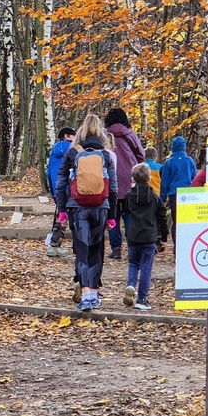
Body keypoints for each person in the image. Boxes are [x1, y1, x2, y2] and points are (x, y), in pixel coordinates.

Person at [55, 114, 118, 311]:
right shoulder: (106, 155)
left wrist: (62, 209)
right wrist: (112, 216)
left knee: (81, 250)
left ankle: (85, 295)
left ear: (81, 131)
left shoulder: (73, 153)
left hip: (78, 207)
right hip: (101, 207)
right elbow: (114, 188)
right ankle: (94, 294)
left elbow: (61, 182)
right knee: (96, 250)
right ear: (101, 132)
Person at [122, 163, 169, 311]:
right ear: (149, 178)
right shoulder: (155, 198)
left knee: (133, 263)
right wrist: (163, 238)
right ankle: (142, 298)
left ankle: (130, 284)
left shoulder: (129, 197)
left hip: (134, 235)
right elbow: (162, 218)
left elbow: (125, 214)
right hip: (149, 236)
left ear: (133, 178)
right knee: (146, 267)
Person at [103, 108, 145, 259]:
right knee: (129, 215)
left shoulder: (105, 136)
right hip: (129, 181)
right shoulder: (130, 134)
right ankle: (132, 247)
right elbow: (141, 154)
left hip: (110, 180)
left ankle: (116, 248)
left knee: (113, 215)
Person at [159, 136, 197, 248]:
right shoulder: (190, 161)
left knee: (176, 222)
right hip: (189, 195)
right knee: (188, 222)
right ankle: (188, 246)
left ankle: (178, 249)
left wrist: (162, 199)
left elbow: (164, 183)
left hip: (174, 195)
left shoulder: (168, 163)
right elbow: (195, 178)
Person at [46, 126, 76, 256]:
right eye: (73, 135)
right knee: (74, 217)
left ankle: (54, 244)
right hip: (69, 187)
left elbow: (49, 172)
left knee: (61, 216)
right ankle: (76, 246)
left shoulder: (55, 150)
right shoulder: (73, 150)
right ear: (67, 136)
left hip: (58, 188)